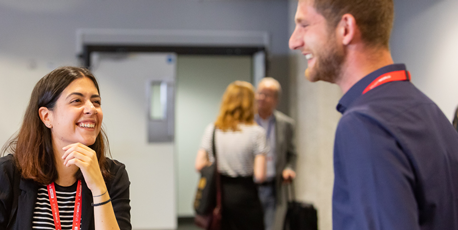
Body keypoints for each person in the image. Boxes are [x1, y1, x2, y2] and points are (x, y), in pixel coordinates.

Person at [289, 0, 458, 229]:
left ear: (346, 29)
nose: (294, 41)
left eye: (304, 25)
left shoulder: (364, 125)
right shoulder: (429, 110)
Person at [0, 66, 131, 230]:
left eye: (96, 102)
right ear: (46, 116)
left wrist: (98, 188)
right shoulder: (8, 172)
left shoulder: (113, 175)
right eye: (77, 101)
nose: (91, 109)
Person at [195, 81, 267, 230]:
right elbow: (260, 175)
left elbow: (199, 165)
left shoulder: (213, 129)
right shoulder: (257, 133)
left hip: (220, 195)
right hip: (247, 196)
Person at [254, 77, 296, 230]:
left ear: (276, 99)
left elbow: (292, 153)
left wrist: (289, 168)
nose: (261, 98)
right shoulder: (247, 122)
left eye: (267, 95)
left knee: (269, 226)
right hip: (249, 186)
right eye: (259, 93)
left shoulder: (285, 124)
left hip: (272, 186)